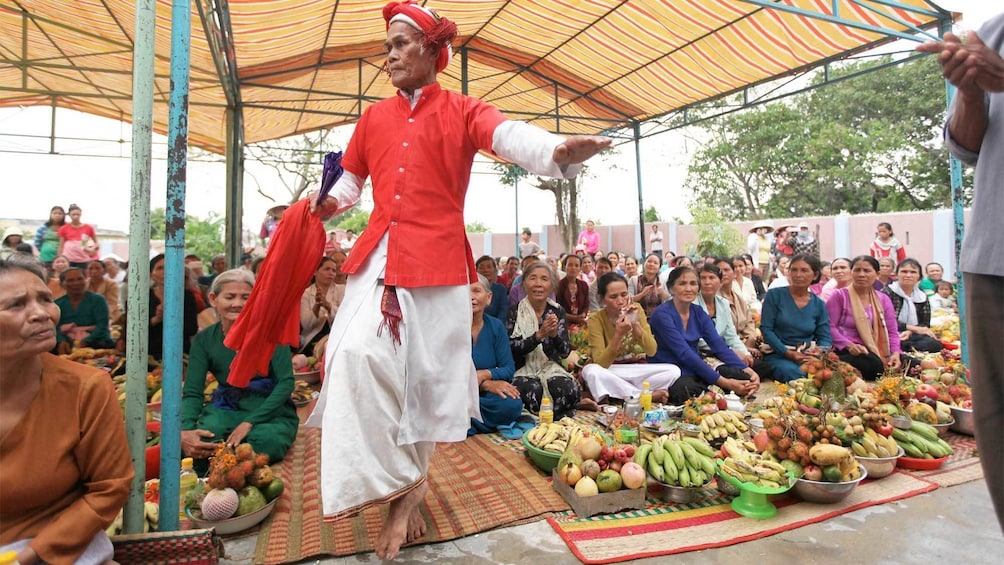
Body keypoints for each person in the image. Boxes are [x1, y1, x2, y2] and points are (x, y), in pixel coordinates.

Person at [302, 2, 609, 559]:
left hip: (439, 266)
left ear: (432, 52)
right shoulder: (372, 118)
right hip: (378, 260)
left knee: (426, 383)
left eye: (400, 43)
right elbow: (349, 184)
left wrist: (557, 151)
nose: (389, 54)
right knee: (350, 359)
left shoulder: (463, 109)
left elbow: (507, 133)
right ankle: (407, 480)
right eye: (388, 44)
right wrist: (324, 204)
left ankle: (405, 497)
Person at [918, 13, 1004, 532]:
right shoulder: (991, 32)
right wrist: (971, 92)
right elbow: (968, 148)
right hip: (992, 253)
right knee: (995, 426)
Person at [0, 255, 132, 565]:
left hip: (59, 549)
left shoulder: (86, 388)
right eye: (17, 305)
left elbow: (109, 487)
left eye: (45, 299)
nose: (41, 314)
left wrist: (30, 556)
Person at [181, 269, 298, 470]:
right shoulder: (205, 340)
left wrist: (250, 422)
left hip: (269, 410)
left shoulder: (271, 334)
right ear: (213, 299)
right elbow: (193, 391)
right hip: (227, 406)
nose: (237, 304)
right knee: (206, 441)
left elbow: (286, 383)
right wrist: (186, 429)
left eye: (246, 297)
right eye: (229, 297)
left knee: (263, 442)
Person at [649, 266, 759, 403]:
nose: (689, 289)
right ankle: (715, 392)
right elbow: (684, 353)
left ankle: (715, 391)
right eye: (682, 284)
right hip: (672, 371)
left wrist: (748, 370)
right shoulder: (662, 315)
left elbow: (719, 347)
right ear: (671, 288)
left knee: (744, 378)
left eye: (693, 284)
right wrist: (725, 383)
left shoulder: (698, 312)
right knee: (686, 390)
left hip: (695, 367)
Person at [580, 272, 679, 405]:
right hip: (610, 370)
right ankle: (642, 395)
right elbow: (601, 364)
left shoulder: (636, 309)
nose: (620, 301)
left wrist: (636, 324)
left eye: (624, 295)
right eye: (613, 297)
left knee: (673, 371)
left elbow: (652, 351)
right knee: (591, 371)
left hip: (633, 369)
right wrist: (618, 335)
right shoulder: (595, 319)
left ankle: (622, 392)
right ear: (603, 299)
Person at [506, 261, 581, 418]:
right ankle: (549, 414)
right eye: (533, 278)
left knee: (566, 388)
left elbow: (565, 351)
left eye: (544, 279)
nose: (538, 284)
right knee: (531, 390)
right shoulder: (515, 311)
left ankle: (554, 414)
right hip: (522, 369)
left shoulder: (557, 311)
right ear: (524, 284)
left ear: (552, 285)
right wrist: (538, 336)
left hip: (551, 367)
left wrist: (554, 336)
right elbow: (510, 347)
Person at [757, 254, 832, 383]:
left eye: (804, 270)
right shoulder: (775, 295)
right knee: (797, 375)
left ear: (815, 275)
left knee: (832, 376)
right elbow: (766, 329)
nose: (798, 275)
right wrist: (787, 353)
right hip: (778, 354)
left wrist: (819, 352)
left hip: (807, 355)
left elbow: (824, 336)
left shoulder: (818, 304)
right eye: (794, 270)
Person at [825, 256, 902, 380]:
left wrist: (895, 353)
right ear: (851, 273)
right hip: (846, 348)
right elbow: (829, 326)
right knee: (874, 366)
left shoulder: (882, 299)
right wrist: (848, 345)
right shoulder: (839, 296)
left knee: (912, 363)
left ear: (877, 274)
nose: (861, 274)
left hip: (876, 346)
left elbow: (891, 331)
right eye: (857, 270)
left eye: (867, 271)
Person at [468, 275, 522, 437]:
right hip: (457, 392)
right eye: (464, 292)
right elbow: (446, 373)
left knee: (512, 404)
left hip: (484, 399)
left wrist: (484, 375)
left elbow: (508, 368)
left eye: (476, 291)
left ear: (489, 298)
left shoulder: (495, 326)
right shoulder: (450, 328)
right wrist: (485, 384)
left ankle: (466, 424)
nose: (470, 297)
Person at [697, 263, 756, 368]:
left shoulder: (723, 303)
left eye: (711, 278)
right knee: (737, 372)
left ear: (721, 282)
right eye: (703, 278)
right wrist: (729, 350)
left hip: (724, 350)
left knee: (759, 366)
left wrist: (745, 353)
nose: (707, 282)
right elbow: (701, 341)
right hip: (704, 352)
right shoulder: (693, 304)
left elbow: (731, 335)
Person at [882, 258, 944, 354]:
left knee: (935, 345)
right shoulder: (887, 293)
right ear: (897, 275)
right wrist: (912, 328)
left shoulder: (921, 296)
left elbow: (924, 323)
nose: (908, 275)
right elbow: (884, 320)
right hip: (890, 334)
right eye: (904, 271)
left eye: (913, 272)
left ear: (919, 277)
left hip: (911, 335)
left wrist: (910, 332)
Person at [148, 253, 199, 362]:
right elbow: (130, 331)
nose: (165, 271)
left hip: (180, 356)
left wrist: (171, 317)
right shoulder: (140, 298)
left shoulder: (187, 296)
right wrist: (156, 319)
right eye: (160, 268)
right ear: (151, 275)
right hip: (148, 357)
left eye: (169, 266)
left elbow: (192, 328)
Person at [53, 267, 115, 351]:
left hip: (96, 340)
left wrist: (85, 341)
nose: (76, 283)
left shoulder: (98, 300)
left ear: (86, 280)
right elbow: (55, 328)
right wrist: (61, 341)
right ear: (62, 284)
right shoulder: (57, 304)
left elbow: (102, 326)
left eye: (80, 279)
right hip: (67, 341)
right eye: (70, 280)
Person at [714, 258, 759, 357]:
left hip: (744, 343)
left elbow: (749, 322)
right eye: (719, 271)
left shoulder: (739, 299)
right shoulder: (713, 298)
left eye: (726, 270)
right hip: (726, 348)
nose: (723, 274)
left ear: (734, 273)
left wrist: (750, 338)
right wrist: (742, 348)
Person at [299, 255, 344, 354]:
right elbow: (306, 325)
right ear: (315, 272)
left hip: (338, 336)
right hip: (312, 339)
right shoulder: (305, 293)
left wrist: (328, 305)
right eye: (327, 269)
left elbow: (345, 318)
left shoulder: (342, 290)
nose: (331, 273)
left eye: (333, 270)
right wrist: (317, 306)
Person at [56, 204, 99, 268]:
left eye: (78, 214)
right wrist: (59, 258)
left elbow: (96, 243)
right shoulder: (63, 228)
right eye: (73, 214)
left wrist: (92, 251)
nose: (76, 216)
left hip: (83, 259)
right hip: (69, 258)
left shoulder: (88, 227)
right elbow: (61, 245)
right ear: (69, 215)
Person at [629, 253, 669, 318]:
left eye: (655, 263)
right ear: (644, 263)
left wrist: (662, 292)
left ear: (659, 267)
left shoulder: (663, 280)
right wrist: (642, 294)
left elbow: (669, 300)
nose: (651, 264)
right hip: (639, 318)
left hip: (659, 318)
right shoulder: (633, 280)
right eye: (649, 261)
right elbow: (628, 300)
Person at [556, 254, 589, 327]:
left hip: (580, 323)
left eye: (576, 265)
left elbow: (586, 305)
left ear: (580, 268)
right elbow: (557, 309)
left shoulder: (584, 285)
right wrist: (574, 318)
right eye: (570, 265)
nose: (573, 268)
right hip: (563, 324)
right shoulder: (558, 286)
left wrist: (583, 315)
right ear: (565, 267)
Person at [476, 255, 509, 320]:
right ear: (476, 270)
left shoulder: (500, 289)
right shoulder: (471, 290)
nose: (485, 270)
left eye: (489, 267)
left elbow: (503, 313)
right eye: (481, 267)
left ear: (494, 270)